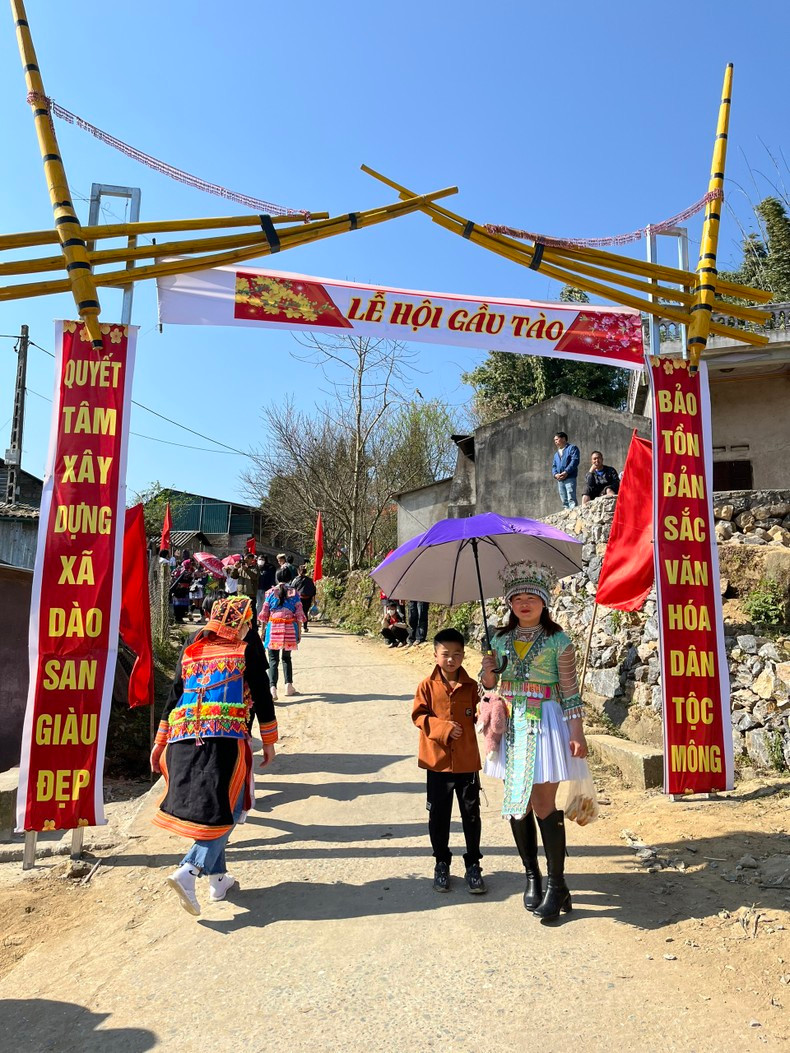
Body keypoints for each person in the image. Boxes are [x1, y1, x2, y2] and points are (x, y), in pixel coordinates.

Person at [150, 596, 277, 916]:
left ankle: (218, 878)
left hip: (183, 739)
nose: (250, 627)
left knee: (215, 808)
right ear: (241, 622)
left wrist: (160, 740)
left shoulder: (194, 645)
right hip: (224, 741)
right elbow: (261, 693)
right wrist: (270, 740)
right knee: (232, 807)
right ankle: (189, 870)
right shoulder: (245, 648)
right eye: (249, 622)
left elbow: (175, 692)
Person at [480, 561, 588, 922]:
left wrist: (577, 732)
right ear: (509, 602)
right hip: (511, 725)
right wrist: (488, 670)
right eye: (517, 598)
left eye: (531, 597)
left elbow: (570, 691)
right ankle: (533, 876)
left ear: (543, 601)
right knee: (517, 802)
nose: (524, 603)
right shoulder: (498, 640)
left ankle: (557, 885)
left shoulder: (560, 641)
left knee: (543, 803)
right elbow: (490, 687)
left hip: (546, 722)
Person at [412, 628, 486, 895]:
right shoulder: (426, 686)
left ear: (464, 655)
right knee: (439, 816)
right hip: (438, 763)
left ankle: (474, 864)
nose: (451, 660)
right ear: (435, 655)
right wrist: (443, 729)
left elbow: (483, 711)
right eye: (446, 654)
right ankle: (441, 862)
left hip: (467, 763)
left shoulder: (471, 687)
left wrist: (487, 696)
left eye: (457, 654)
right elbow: (419, 716)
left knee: (472, 815)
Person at [259, 569, 306, 700]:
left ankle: (272, 689)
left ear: (276, 578)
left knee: (273, 660)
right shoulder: (294, 593)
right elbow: (299, 615)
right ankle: (288, 686)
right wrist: (299, 632)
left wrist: (263, 631)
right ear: (290, 578)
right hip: (290, 627)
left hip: (273, 626)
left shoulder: (270, 593)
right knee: (286, 658)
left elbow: (264, 615)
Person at [552, 431, 580, 510]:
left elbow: (575, 461)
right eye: (555, 440)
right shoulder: (556, 454)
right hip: (560, 479)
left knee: (571, 497)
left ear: (563, 439)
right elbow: (554, 466)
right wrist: (555, 474)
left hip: (570, 477)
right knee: (564, 499)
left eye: (557, 439)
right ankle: (567, 515)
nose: (555, 441)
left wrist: (566, 472)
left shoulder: (572, 448)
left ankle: (573, 513)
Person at [230, 552, 260, 619]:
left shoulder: (254, 568)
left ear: (252, 559)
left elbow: (255, 577)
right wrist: (235, 568)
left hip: (250, 594)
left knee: (251, 613)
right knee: (240, 612)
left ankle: (253, 628)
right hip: (240, 594)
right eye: (246, 558)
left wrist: (246, 569)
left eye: (249, 558)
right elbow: (233, 576)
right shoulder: (240, 568)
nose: (246, 560)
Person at [291, 563, 317, 632]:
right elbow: (313, 591)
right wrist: (314, 600)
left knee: (296, 613)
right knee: (305, 612)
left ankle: (297, 627)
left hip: (298, 599)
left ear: (298, 571)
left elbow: (292, 589)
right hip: (308, 599)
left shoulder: (296, 580)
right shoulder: (310, 580)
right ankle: (305, 627)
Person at [170, 559, 193, 624]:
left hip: (181, 591)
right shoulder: (184, 571)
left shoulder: (180, 569)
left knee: (181, 605)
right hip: (180, 591)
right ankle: (178, 619)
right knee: (180, 606)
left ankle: (179, 618)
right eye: (190, 563)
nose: (191, 565)